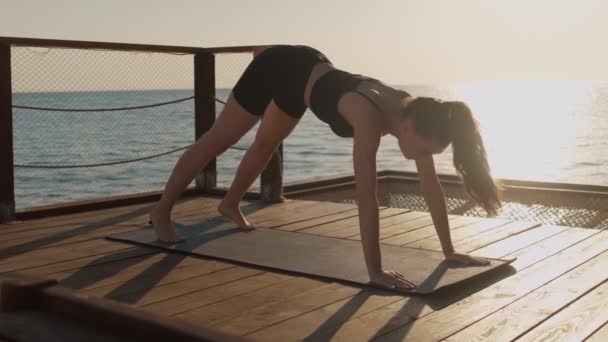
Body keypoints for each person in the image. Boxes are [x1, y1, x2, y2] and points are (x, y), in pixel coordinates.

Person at [149, 44, 502, 291]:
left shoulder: (417, 114)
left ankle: (229, 205)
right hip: (278, 67)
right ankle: (162, 212)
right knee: (217, 142)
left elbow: (431, 188)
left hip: (305, 78)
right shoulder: (368, 116)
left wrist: (449, 250)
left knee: (266, 144)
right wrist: (375, 271)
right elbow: (367, 197)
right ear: (410, 128)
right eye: (423, 149)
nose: (418, 157)